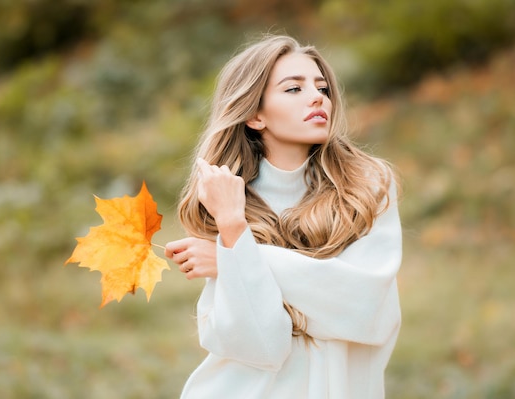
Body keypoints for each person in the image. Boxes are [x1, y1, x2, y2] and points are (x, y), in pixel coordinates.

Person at [164, 34, 403, 399]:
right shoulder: (230, 203)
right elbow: (261, 347)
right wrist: (233, 228)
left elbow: (365, 310)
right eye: (294, 89)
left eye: (322, 87)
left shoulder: (368, 187)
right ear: (254, 114)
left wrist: (238, 257)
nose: (317, 97)